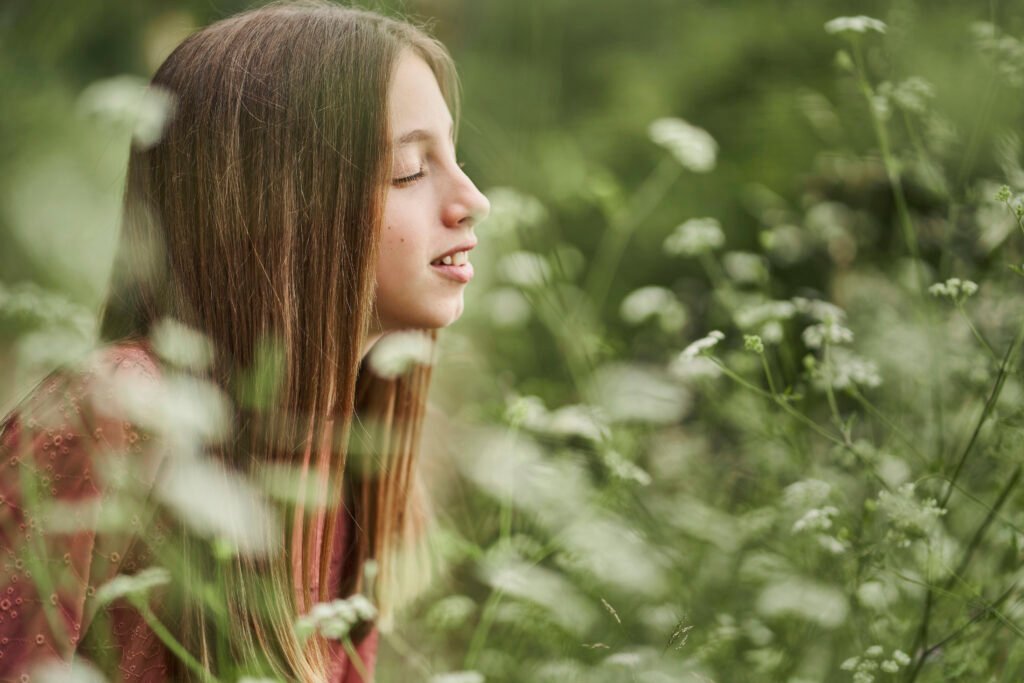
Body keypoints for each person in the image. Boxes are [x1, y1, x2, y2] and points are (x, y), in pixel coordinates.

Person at [0, 1, 490, 680]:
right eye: (410, 169)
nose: (472, 198)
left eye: (453, 158)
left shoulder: (348, 455)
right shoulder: (117, 411)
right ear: (285, 204)